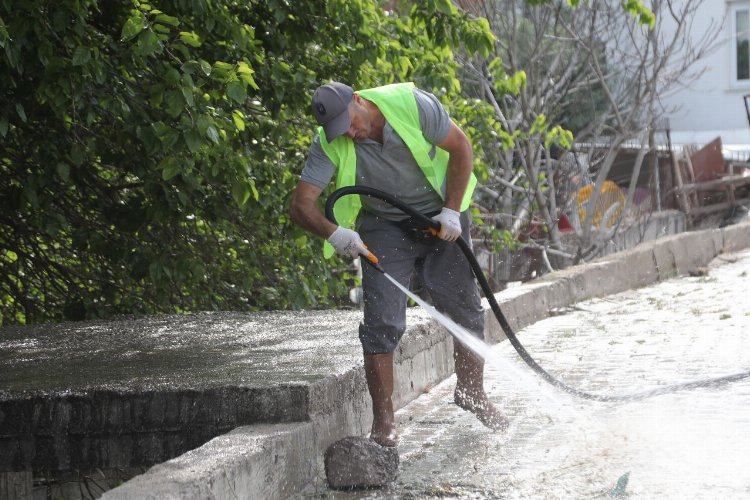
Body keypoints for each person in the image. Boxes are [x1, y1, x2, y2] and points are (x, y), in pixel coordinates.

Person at [289, 81, 508, 447]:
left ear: (358, 100)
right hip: (385, 225)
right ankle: (384, 423)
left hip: (442, 218)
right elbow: (301, 204)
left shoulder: (413, 106)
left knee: (465, 309)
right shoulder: (329, 141)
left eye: (351, 123)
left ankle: (473, 395)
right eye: (341, 131)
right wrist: (334, 234)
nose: (351, 134)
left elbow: (461, 148)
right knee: (382, 320)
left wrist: (452, 210)